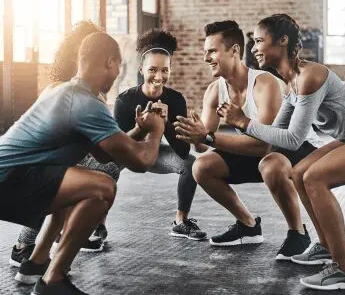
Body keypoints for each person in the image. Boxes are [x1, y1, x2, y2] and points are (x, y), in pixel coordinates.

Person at [219, 13, 345, 290]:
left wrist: (243, 122)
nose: (253, 49)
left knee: (316, 177)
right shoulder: (290, 85)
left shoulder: (309, 76)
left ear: (282, 41)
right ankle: (327, 247)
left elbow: (292, 139)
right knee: (299, 171)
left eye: (258, 41)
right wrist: (221, 133)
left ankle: (344, 270)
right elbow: (274, 138)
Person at [0, 32, 165, 294]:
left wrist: (139, 129)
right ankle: (52, 282)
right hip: (10, 182)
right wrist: (157, 131)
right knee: (102, 187)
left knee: (79, 180)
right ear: (111, 62)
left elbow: (105, 153)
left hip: (13, 176)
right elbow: (140, 161)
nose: (117, 74)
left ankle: (35, 265)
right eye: (119, 66)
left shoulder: (61, 90)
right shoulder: (86, 103)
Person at [174, 20, 323, 260]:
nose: (206, 58)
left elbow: (264, 145)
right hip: (261, 154)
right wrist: (191, 133)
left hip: (298, 150)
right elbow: (202, 146)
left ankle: (298, 233)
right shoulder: (214, 91)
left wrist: (208, 136)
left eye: (212, 51)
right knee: (201, 167)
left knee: (271, 163)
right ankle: (248, 226)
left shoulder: (265, 84)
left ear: (234, 51)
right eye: (205, 53)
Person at [9, 22, 119, 277]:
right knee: (97, 176)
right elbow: (111, 152)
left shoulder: (63, 88)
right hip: (27, 173)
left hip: (33, 168)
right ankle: (31, 250)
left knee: (84, 172)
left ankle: (37, 258)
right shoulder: (73, 93)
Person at [114, 28, 206, 241]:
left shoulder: (176, 100)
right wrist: (142, 128)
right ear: (141, 69)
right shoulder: (124, 101)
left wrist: (165, 124)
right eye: (153, 70)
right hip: (128, 153)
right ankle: (97, 226)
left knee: (191, 163)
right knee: (105, 166)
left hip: (155, 153)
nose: (159, 76)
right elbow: (118, 146)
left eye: (165, 70)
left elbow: (183, 151)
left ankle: (181, 222)